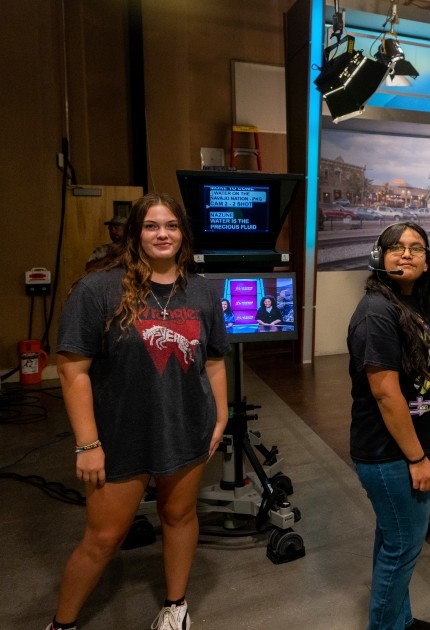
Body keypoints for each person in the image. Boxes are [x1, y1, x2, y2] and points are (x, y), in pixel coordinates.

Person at [48, 192, 230, 630]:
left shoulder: (202, 291)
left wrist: (220, 418)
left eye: (171, 225)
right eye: (151, 226)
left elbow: (215, 360)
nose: (162, 234)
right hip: (119, 435)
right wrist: (87, 444)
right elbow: (73, 372)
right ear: (135, 233)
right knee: (104, 537)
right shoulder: (97, 289)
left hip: (186, 428)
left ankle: (175, 606)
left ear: (184, 234)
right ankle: (62, 624)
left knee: (179, 517)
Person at [347, 222, 430, 630]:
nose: (406, 254)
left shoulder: (422, 304)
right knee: (403, 544)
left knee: (394, 536)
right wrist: (417, 458)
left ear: (425, 261)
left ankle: (398, 621)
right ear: (379, 257)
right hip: (393, 453)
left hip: (422, 440)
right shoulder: (376, 312)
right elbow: (386, 394)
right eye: (396, 248)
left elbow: (425, 367)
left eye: (416, 248)